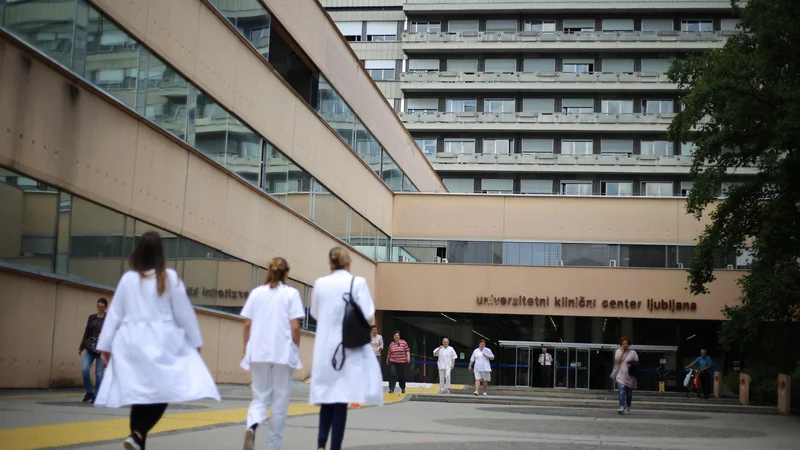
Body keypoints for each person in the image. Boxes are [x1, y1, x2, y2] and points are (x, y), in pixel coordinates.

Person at [94, 232, 220, 450]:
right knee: (163, 390)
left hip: (130, 342)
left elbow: (115, 313)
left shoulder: (128, 279)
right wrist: (195, 342)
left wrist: (105, 345)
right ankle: (138, 433)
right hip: (161, 342)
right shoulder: (168, 278)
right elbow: (184, 314)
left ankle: (137, 438)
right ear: (160, 254)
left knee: (140, 395)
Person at [309, 247, 383, 450]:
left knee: (327, 396)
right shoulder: (356, 283)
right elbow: (368, 311)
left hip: (324, 348)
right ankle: (334, 447)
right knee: (341, 398)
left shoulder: (320, 284)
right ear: (348, 263)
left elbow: (315, 313)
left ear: (330, 264)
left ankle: (321, 442)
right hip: (347, 347)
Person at [240, 257, 304, 450]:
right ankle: (272, 447)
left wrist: (246, 348)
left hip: (259, 352)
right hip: (283, 353)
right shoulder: (291, 294)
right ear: (287, 273)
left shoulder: (257, 293)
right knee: (279, 403)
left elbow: (247, 323)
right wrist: (296, 347)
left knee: (259, 397)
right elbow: (295, 327)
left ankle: (251, 426)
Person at [78, 298, 108, 403]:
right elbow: (87, 332)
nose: (100, 309)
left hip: (102, 350)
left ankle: (97, 395)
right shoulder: (92, 318)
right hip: (90, 348)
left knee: (99, 373)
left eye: (102, 307)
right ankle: (89, 392)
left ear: (105, 307)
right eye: (98, 306)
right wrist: (82, 346)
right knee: (84, 369)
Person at [611, 336, 639, 415]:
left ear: (629, 344)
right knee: (622, 390)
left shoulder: (633, 353)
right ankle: (622, 407)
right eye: (623, 344)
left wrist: (632, 365)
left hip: (630, 376)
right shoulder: (618, 351)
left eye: (626, 343)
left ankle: (628, 407)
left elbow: (637, 362)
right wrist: (622, 352)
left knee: (629, 393)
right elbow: (617, 361)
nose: (624, 345)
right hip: (620, 375)